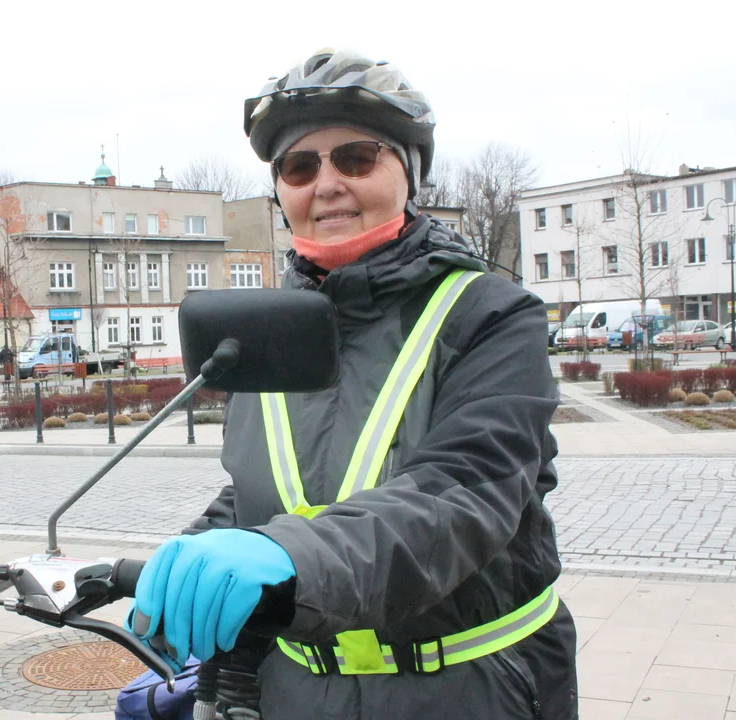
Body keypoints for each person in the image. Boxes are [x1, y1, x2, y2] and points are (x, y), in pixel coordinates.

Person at [128, 48, 577, 719]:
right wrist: (191, 558)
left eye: (356, 158)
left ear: (408, 172)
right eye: (299, 166)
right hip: (300, 685)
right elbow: (266, 493)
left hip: (467, 683)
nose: (326, 183)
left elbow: (465, 492)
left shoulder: (488, 312)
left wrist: (279, 551)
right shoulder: (266, 325)